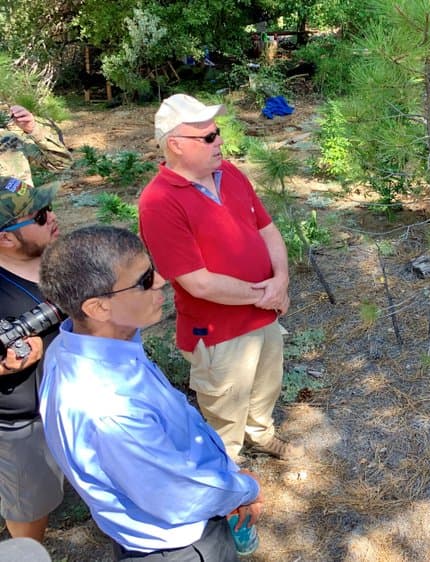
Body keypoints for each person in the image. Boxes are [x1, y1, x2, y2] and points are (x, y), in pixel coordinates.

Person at [38, 225, 263, 561]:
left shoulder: (78, 345)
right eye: (143, 280)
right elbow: (176, 495)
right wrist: (243, 491)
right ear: (98, 308)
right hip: (181, 546)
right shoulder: (109, 407)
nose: (161, 281)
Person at [138, 94, 297, 462]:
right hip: (217, 330)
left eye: (217, 132)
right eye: (207, 137)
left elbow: (268, 230)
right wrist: (267, 294)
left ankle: (262, 433)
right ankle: (228, 463)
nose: (219, 141)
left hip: (263, 312)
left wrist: (282, 280)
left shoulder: (231, 174)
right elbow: (198, 283)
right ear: (175, 145)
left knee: (266, 386)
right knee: (224, 404)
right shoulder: (159, 202)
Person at [0, 103, 72, 545]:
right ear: (6, 238)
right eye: (41, 216)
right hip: (21, 425)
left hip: (60, 408)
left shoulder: (50, 260)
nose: (52, 218)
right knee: (30, 518)